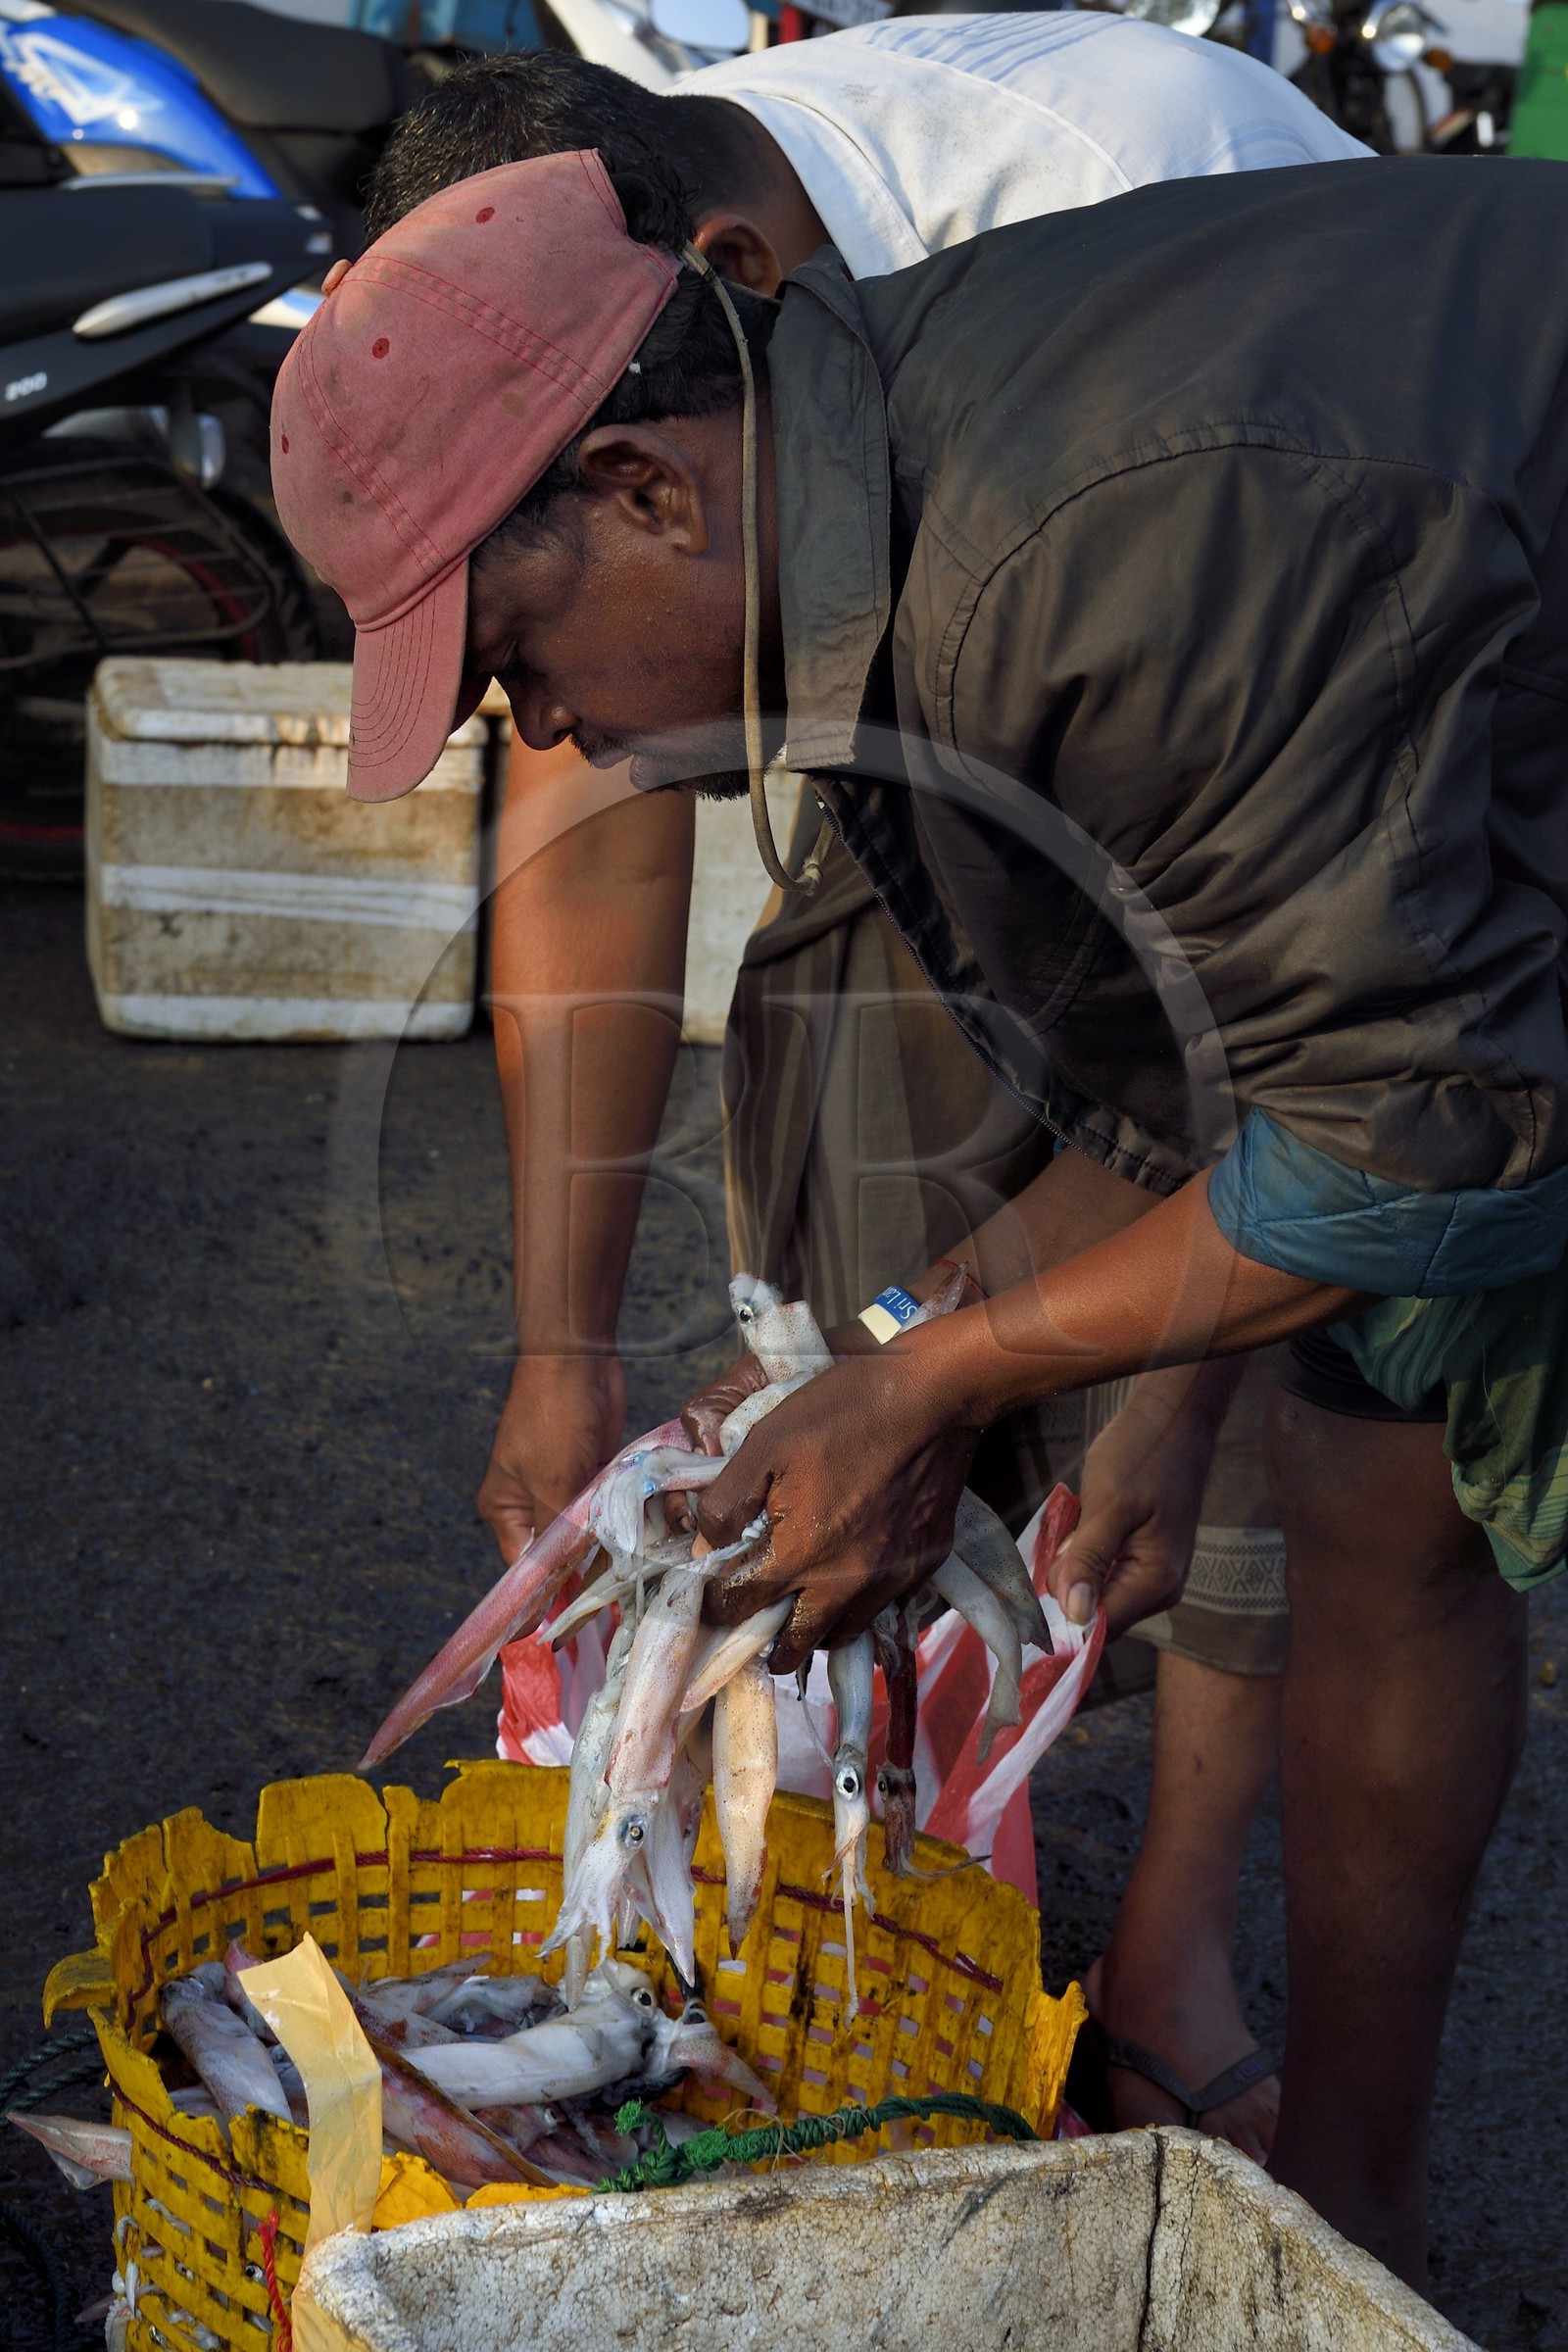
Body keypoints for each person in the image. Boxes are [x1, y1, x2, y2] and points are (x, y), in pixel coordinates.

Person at [270, 150, 1566, 2282]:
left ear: (647, 489)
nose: (548, 732)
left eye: (513, 656)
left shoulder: (1096, 562)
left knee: (1396, 1445)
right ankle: (1352, 2213)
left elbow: (1398, 1138)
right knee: (1364, 1436)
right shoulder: (879, 511)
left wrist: (947, 1376)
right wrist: (911, 1357)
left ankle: (1355, 2219)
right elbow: (1202, 1056)